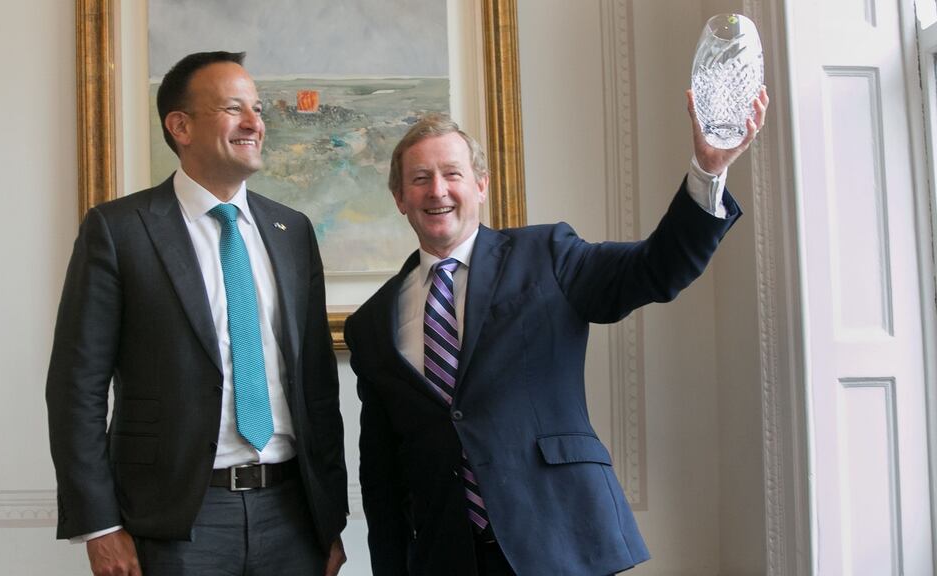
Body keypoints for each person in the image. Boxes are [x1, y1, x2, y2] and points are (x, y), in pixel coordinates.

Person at [344, 87, 769, 575]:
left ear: (481, 185)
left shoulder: (548, 253)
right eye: (420, 179)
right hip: (447, 555)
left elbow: (657, 268)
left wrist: (708, 170)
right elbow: (380, 470)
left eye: (452, 174)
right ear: (399, 197)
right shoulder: (371, 324)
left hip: (561, 537)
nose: (437, 190)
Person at [47, 51, 348, 576]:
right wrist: (99, 525)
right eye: (235, 109)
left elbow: (318, 388)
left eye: (257, 108)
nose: (256, 122)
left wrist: (331, 519)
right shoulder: (119, 231)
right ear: (180, 126)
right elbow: (77, 388)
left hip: (293, 515)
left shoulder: (293, 231)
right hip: (176, 522)